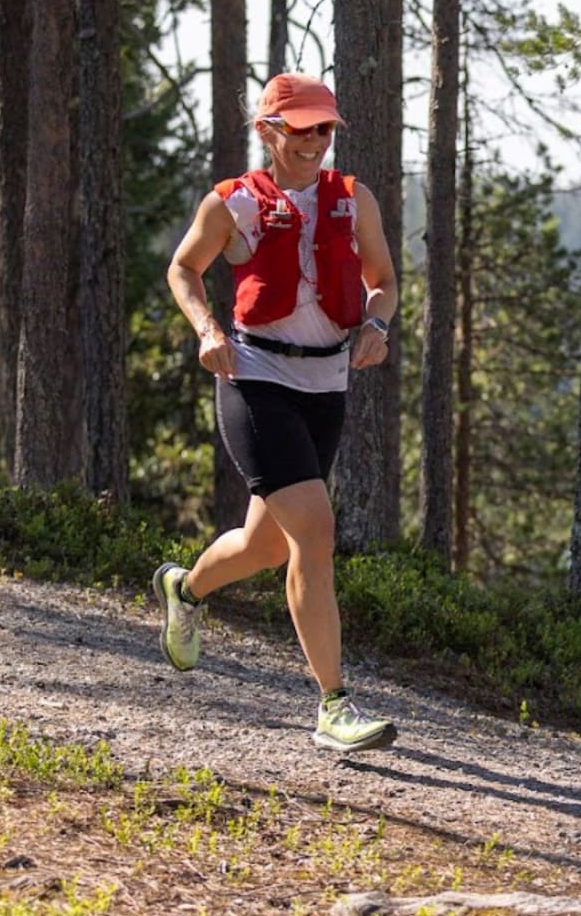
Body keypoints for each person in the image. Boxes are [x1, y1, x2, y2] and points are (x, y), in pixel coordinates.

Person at [154, 72, 399, 753]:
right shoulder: (233, 202)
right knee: (314, 534)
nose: (316, 141)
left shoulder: (353, 200)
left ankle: (186, 589)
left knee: (264, 546)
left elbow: (384, 282)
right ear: (269, 131)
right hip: (253, 376)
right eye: (302, 129)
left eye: (325, 129)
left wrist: (378, 326)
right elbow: (183, 268)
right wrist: (207, 328)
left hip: (326, 387)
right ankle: (333, 704)